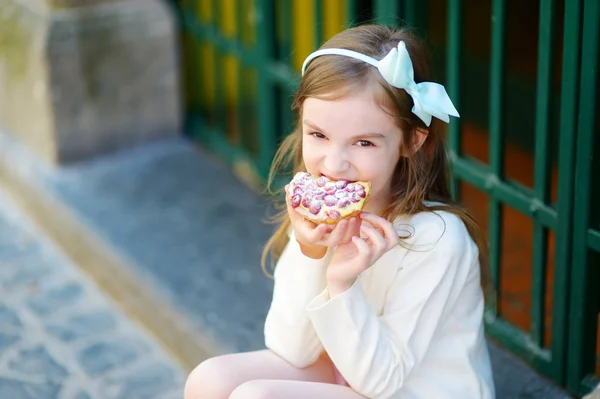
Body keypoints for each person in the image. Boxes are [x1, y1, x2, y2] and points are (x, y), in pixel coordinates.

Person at [184, 24, 496, 399]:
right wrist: (310, 251)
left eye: (363, 142)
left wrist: (342, 285)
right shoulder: (320, 209)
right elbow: (291, 348)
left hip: (413, 390)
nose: (334, 164)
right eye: (318, 135)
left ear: (412, 140)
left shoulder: (438, 239)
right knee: (210, 379)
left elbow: (381, 382)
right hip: (349, 373)